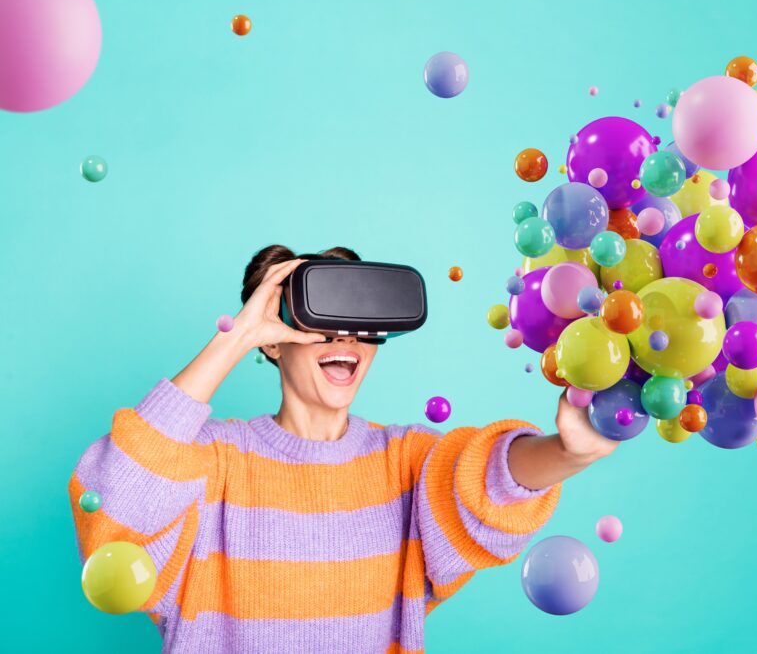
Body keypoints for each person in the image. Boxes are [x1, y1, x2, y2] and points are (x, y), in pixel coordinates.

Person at [69, 244, 618, 653]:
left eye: (360, 322)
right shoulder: (212, 459)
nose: (344, 338)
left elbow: (486, 479)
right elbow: (117, 506)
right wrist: (235, 337)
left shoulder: (404, 459)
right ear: (275, 342)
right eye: (320, 320)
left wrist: (567, 453)